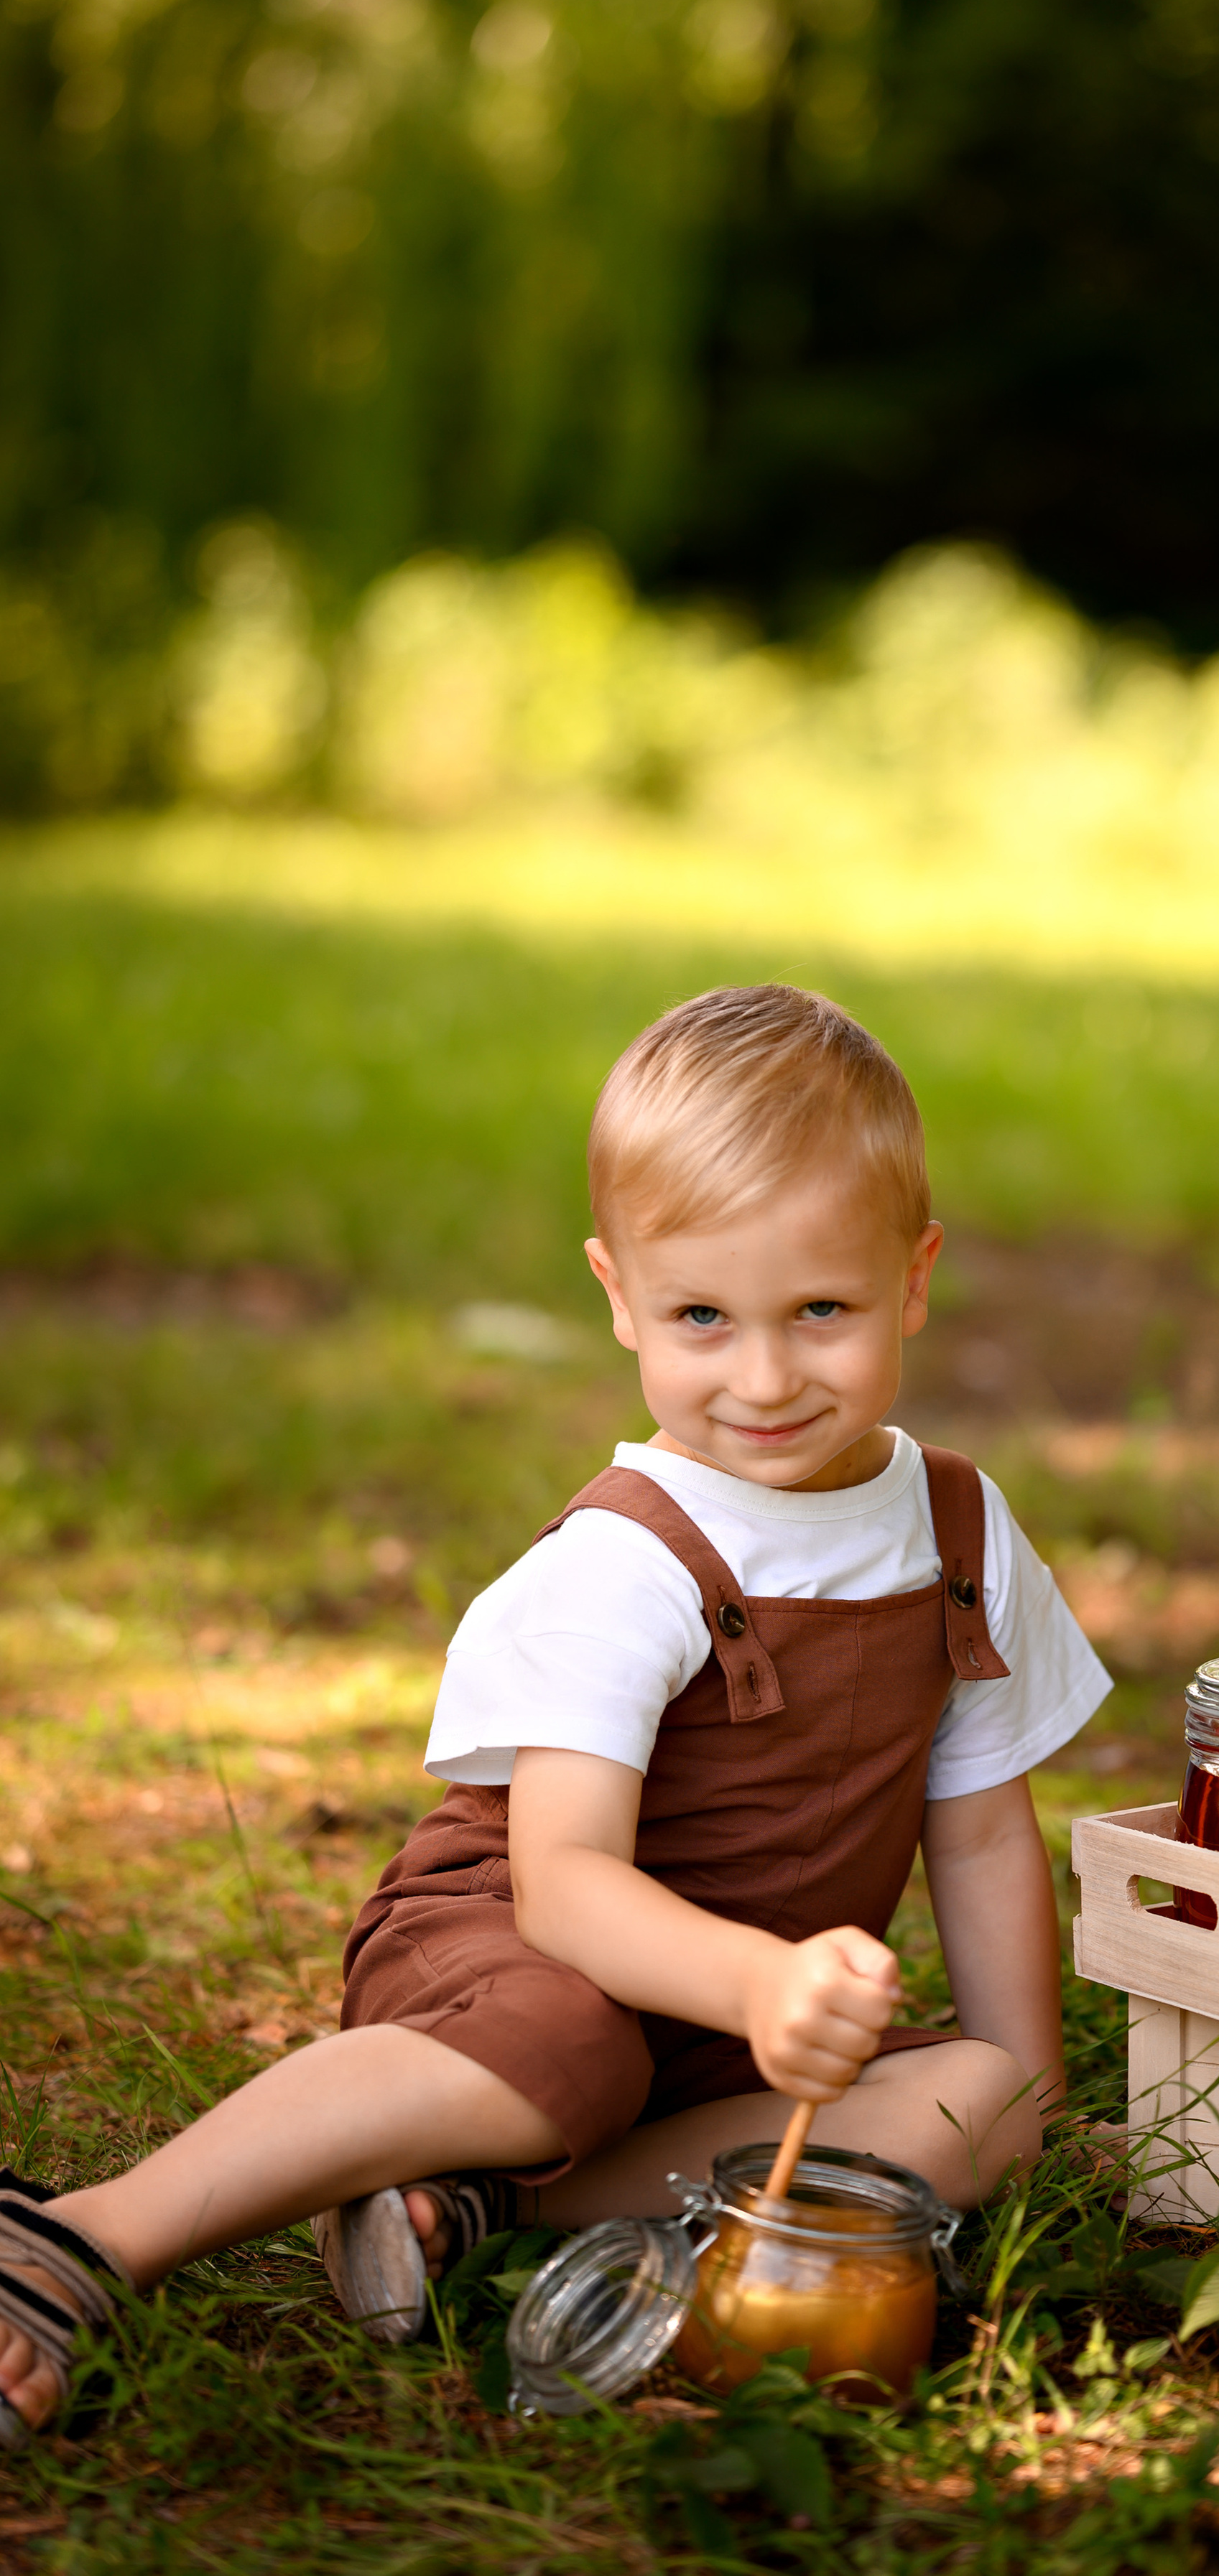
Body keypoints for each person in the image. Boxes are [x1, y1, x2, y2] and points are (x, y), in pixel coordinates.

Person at [0, 983, 1111, 2439]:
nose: (764, 1377)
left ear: (913, 1278)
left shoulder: (955, 1529)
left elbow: (971, 1837)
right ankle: (85, 2237)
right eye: (700, 1316)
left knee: (973, 2101)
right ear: (616, 1294)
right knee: (569, 2050)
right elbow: (567, 1883)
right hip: (518, 1954)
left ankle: (462, 2203)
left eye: (821, 1312)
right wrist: (757, 1987)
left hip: (721, 2026)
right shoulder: (629, 1557)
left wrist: (1019, 2087)